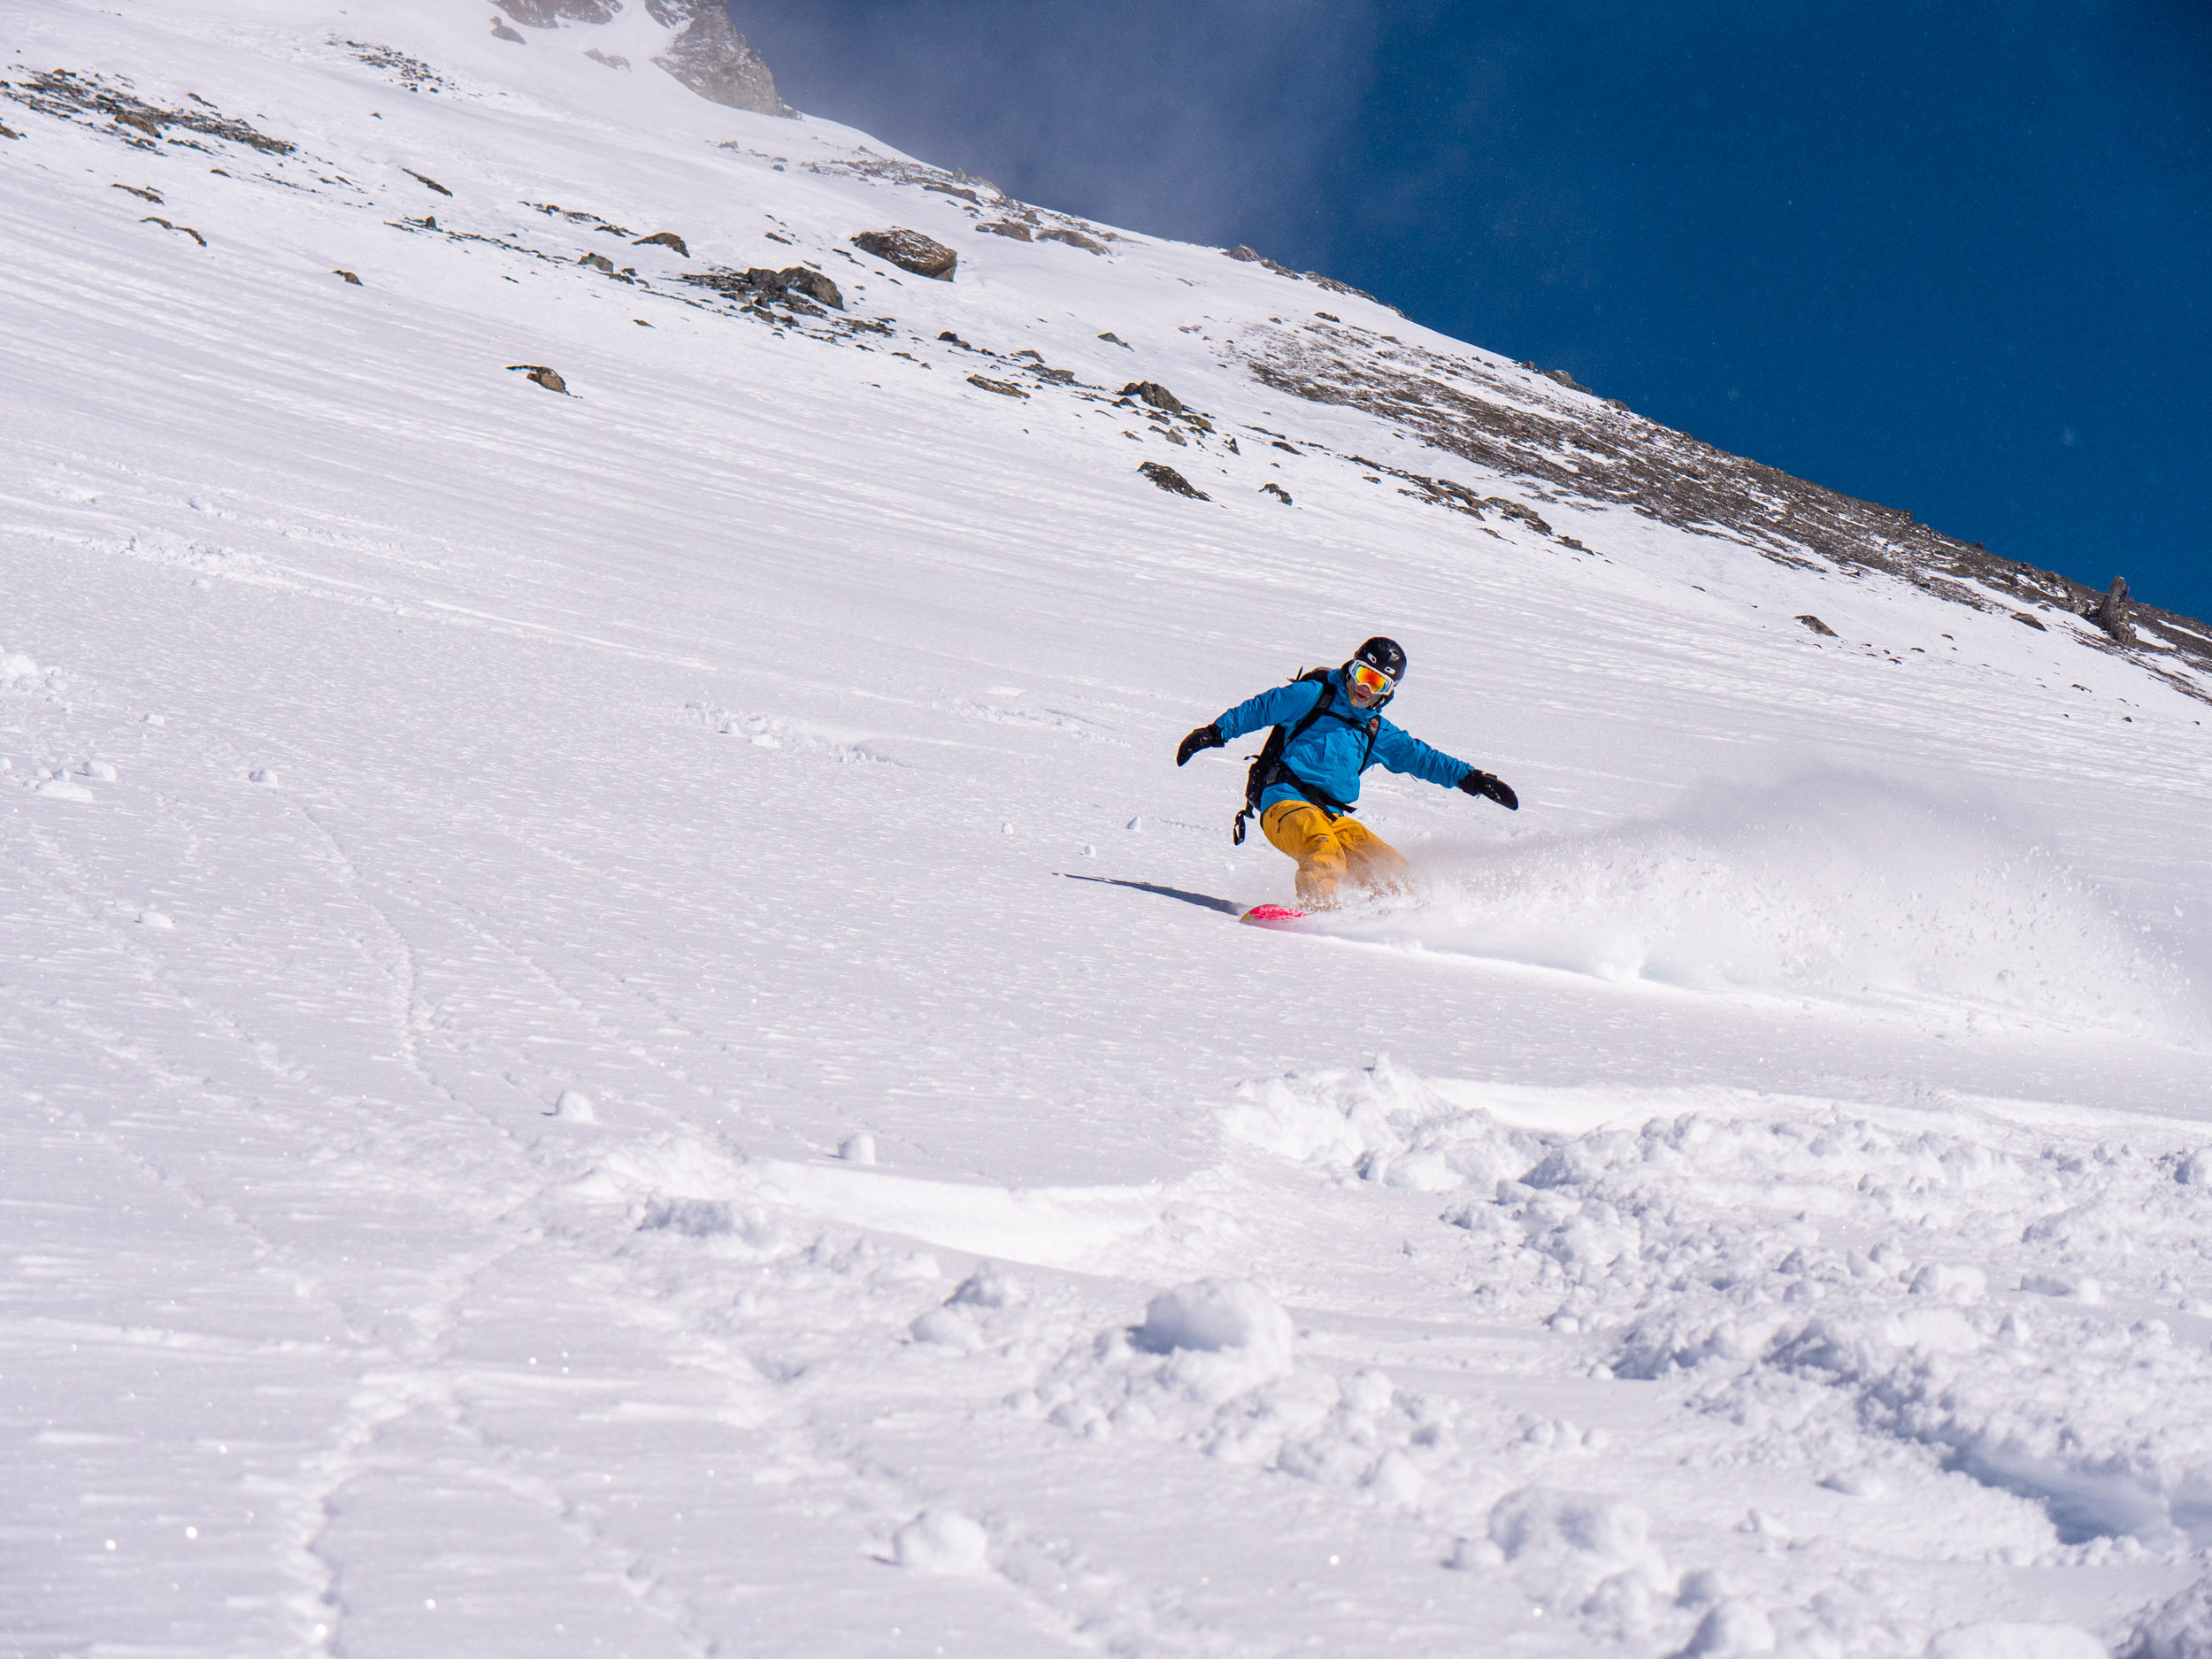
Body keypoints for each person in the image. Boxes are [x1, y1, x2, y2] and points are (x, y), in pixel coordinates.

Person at [1175, 637, 1517, 910]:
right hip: (1282, 803)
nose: (1364, 687)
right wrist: (1213, 733)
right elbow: (1261, 709)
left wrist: (1473, 779)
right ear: (1351, 668)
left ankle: (1406, 917)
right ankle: (1319, 914)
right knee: (1323, 851)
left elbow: (1422, 758)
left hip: (1332, 816)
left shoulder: (1375, 730)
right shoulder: (1313, 696)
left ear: (1388, 691)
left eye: (1376, 682)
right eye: (1361, 674)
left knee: (1392, 869)